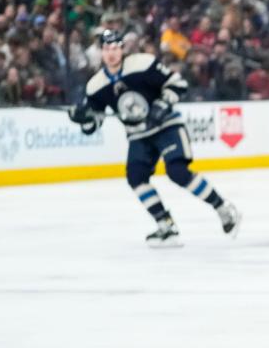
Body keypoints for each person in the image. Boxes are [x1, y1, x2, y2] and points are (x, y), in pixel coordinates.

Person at [67, 30, 241, 247]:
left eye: (115, 48)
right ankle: (165, 225)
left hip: (166, 125)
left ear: (122, 49)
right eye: (106, 49)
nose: (111, 53)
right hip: (138, 135)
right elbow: (94, 123)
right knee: (136, 177)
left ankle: (223, 209)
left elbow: (178, 84)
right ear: (101, 52)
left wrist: (162, 104)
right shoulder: (96, 86)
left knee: (177, 171)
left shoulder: (143, 65)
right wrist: (83, 119)